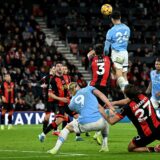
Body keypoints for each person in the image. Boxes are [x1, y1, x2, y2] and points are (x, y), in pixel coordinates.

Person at [38, 82, 114, 154]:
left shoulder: (71, 103)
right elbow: (101, 95)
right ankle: (105, 145)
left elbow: (77, 112)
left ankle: (55, 149)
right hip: (99, 123)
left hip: (84, 124)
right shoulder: (89, 88)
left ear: (70, 91)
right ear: (77, 86)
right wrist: (109, 105)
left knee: (66, 129)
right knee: (106, 116)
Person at [105, 84, 160, 152]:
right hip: (158, 127)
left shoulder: (127, 108)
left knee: (130, 148)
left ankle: (154, 149)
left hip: (146, 135)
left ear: (127, 95)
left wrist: (105, 112)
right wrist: (112, 103)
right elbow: (127, 100)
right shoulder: (143, 95)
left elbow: (111, 121)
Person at [87, 43, 112, 143]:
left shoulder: (92, 59)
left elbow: (88, 54)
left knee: (94, 108)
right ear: (103, 51)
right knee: (102, 110)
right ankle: (98, 132)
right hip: (104, 87)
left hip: (93, 86)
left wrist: (93, 51)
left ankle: (93, 128)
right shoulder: (108, 59)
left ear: (95, 51)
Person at [104, 10, 130, 92]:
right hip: (125, 53)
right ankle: (129, 94)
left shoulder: (111, 31)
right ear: (120, 17)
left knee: (118, 73)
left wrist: (106, 55)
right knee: (124, 74)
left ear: (112, 19)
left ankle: (126, 93)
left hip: (117, 53)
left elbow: (106, 49)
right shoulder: (127, 28)